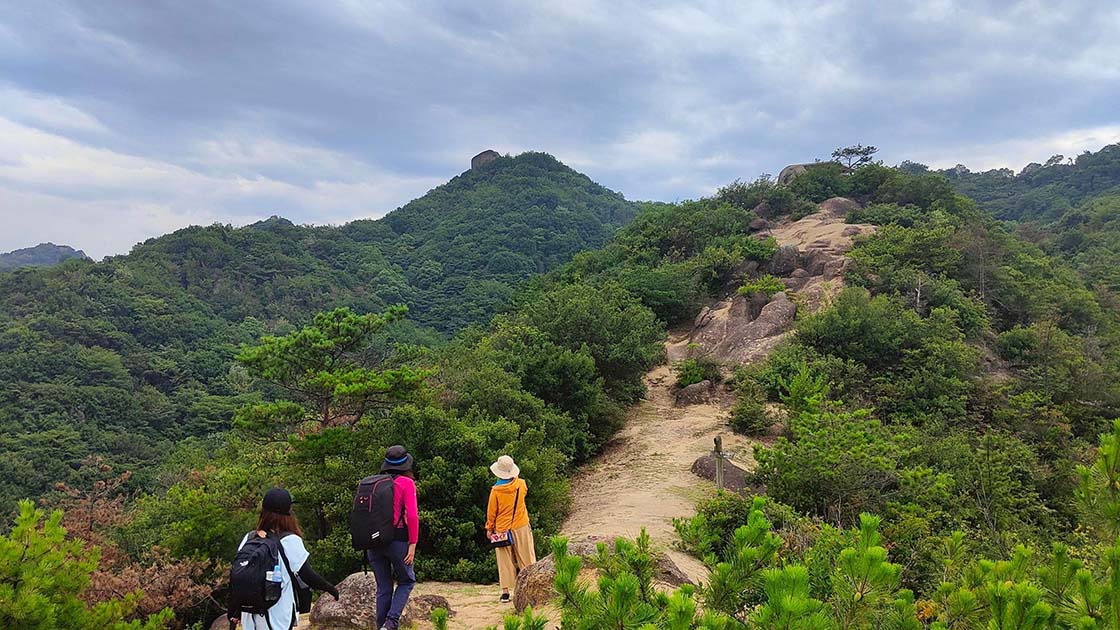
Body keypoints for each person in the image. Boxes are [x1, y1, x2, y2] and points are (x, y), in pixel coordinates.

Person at [229, 488, 339, 629]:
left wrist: (235, 610)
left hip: (250, 616)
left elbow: (238, 576)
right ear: (289, 513)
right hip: (276, 615)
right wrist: (331, 589)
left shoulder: (249, 538)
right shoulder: (290, 540)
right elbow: (307, 575)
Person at [368, 445, 420, 630]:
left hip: (373, 542)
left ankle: (381, 626)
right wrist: (412, 544)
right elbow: (412, 516)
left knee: (383, 587)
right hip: (397, 540)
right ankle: (391, 623)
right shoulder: (406, 483)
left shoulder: (373, 483)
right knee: (407, 581)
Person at [486, 455, 536, 603]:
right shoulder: (521, 484)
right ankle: (531, 586)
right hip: (521, 524)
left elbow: (492, 512)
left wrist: (489, 528)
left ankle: (506, 592)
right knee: (526, 557)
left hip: (502, 528)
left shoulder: (496, 491)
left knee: (504, 560)